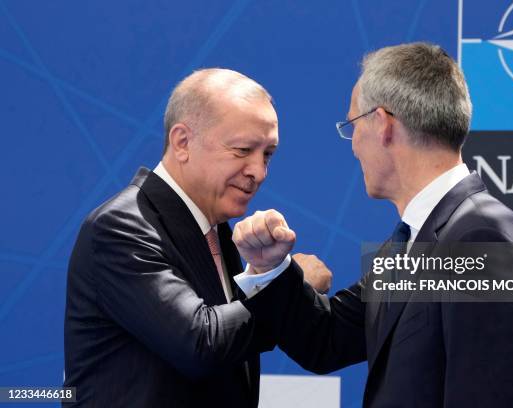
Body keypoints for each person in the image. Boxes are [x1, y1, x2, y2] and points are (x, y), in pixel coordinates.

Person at [233, 43, 513, 407]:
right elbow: (327, 338)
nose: (353, 145)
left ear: (383, 124)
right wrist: (269, 268)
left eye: (352, 125)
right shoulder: (413, 241)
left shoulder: (482, 240)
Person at [63, 68, 330, 407]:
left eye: (268, 155)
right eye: (243, 149)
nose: (259, 172)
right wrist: (284, 284)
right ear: (182, 142)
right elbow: (201, 344)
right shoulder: (119, 227)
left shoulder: (216, 231)